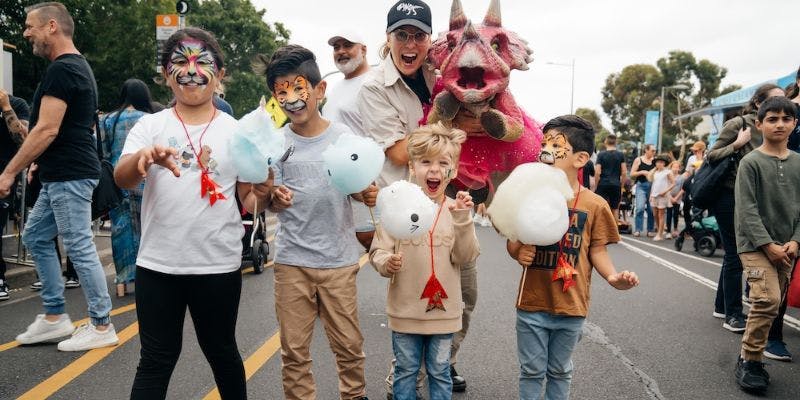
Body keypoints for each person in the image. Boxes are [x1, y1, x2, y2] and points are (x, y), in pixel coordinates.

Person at [115, 27, 268, 399]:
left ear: (220, 73)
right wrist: (142, 158)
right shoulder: (149, 126)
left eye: (203, 62)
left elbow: (249, 199)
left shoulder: (237, 133)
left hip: (217, 265)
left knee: (222, 353)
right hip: (158, 266)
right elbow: (121, 178)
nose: (191, 70)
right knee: (156, 359)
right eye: (180, 61)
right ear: (165, 73)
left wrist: (265, 193)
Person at [0, 2, 118, 351]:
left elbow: (47, 129)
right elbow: (50, 130)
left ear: (51, 26)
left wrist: (9, 172)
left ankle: (101, 324)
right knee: (36, 236)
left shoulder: (63, 70)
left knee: (79, 245)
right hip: (60, 173)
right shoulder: (72, 67)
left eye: (29, 26)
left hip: (69, 175)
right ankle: (55, 317)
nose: (25, 33)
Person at [261, 44, 375, 400]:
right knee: (294, 353)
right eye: (282, 92)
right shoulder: (276, 142)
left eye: (299, 88)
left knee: (349, 348)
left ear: (319, 90)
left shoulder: (344, 139)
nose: (292, 99)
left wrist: (366, 192)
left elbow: (359, 188)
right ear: (275, 98)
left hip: (339, 262)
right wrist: (274, 197)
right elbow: (266, 200)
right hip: (292, 262)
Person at [506, 115, 639, 400]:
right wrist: (519, 251)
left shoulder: (595, 204)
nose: (546, 149)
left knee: (559, 370)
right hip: (532, 304)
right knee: (530, 370)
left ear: (580, 159)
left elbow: (597, 250)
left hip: (571, 307)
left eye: (556, 145)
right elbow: (513, 241)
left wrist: (613, 277)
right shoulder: (529, 195)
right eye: (544, 143)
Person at [370, 122, 480, 400]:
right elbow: (377, 251)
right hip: (405, 314)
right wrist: (386, 262)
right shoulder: (396, 211)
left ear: (452, 170)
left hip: (444, 316)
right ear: (411, 167)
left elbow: (465, 256)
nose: (433, 169)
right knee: (406, 370)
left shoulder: (456, 210)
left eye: (443, 163)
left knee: (440, 371)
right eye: (425, 162)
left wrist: (463, 219)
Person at [733, 96, 799, 393]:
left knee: (774, 304)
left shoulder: (799, 163)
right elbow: (746, 210)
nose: (780, 124)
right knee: (766, 300)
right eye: (772, 119)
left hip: (788, 247)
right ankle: (751, 359)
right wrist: (768, 245)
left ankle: (749, 352)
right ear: (759, 124)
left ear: (795, 124)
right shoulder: (751, 162)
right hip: (755, 246)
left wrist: (795, 240)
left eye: (787, 118)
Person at [707, 83, 784, 333]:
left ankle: (722, 305)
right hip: (729, 196)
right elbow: (711, 155)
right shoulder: (739, 124)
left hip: (757, 197)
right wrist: (737, 144)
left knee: (733, 254)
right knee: (735, 254)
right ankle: (733, 314)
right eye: (775, 100)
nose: (782, 106)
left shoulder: (777, 128)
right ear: (759, 103)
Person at [101, 78, 155, 297]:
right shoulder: (150, 119)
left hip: (118, 181)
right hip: (146, 181)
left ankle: (122, 281)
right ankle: (148, 275)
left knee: (120, 230)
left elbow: (103, 153)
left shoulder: (108, 120)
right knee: (148, 229)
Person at [322, 29, 374, 250]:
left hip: (366, 188)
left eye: (347, 45)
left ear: (363, 49)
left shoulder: (375, 82)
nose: (341, 51)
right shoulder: (335, 88)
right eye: (336, 47)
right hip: (336, 190)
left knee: (379, 250)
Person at [0, 89, 30, 301]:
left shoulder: (17, 104)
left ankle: (0, 278)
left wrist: (5, 107)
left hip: (4, 177)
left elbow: (23, 140)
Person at [593, 134, 627, 220]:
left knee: (601, 208)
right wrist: (622, 186)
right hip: (616, 184)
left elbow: (597, 172)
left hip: (603, 184)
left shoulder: (601, 155)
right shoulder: (620, 155)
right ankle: (614, 233)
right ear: (616, 143)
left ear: (605, 142)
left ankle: (601, 231)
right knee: (615, 209)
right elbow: (624, 172)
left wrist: (596, 185)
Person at [629, 144, 656, 237]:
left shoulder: (655, 161)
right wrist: (642, 172)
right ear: (646, 150)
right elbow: (632, 174)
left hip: (652, 186)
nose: (654, 152)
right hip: (641, 186)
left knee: (651, 209)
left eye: (654, 151)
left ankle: (650, 229)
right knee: (640, 208)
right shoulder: (638, 160)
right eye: (652, 150)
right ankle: (638, 229)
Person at [647, 154, 674, 241]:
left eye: (661, 162)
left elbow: (673, 183)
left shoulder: (668, 172)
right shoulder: (655, 172)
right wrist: (651, 195)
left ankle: (659, 234)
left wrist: (665, 191)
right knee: (655, 215)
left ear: (664, 163)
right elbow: (654, 184)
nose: (659, 164)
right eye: (658, 162)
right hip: (654, 195)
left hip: (663, 196)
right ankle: (660, 230)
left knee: (661, 215)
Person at [665, 161, 686, 239]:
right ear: (671, 167)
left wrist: (676, 198)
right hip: (669, 197)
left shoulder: (681, 178)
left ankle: (675, 229)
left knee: (676, 214)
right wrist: (670, 197)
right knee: (669, 214)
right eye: (674, 167)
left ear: (679, 169)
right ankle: (668, 231)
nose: (675, 169)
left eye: (677, 167)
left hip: (677, 198)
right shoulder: (668, 176)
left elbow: (682, 189)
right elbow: (666, 187)